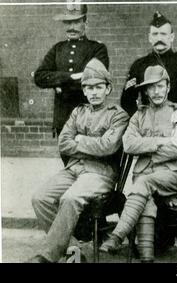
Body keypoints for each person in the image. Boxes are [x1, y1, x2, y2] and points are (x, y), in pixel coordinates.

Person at [27, 58, 129, 263]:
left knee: (70, 198)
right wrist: (92, 144)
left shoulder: (118, 115)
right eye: (89, 88)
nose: (94, 92)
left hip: (100, 173)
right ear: (83, 91)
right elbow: (63, 143)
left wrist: (80, 140)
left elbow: (108, 147)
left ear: (108, 89)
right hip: (74, 169)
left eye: (99, 87)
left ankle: (48, 256)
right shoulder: (77, 112)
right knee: (40, 198)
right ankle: (74, 251)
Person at [119, 11, 177, 250]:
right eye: (155, 34)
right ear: (149, 37)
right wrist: (138, 128)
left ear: (172, 36)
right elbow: (126, 101)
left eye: (164, 34)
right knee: (149, 182)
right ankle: (157, 234)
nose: (159, 38)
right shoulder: (139, 66)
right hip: (150, 133)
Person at [99, 65, 177, 263]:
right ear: (146, 91)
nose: (156, 92)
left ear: (168, 86)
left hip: (171, 174)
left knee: (142, 185)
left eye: (160, 86)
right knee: (144, 198)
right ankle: (147, 257)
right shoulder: (139, 115)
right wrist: (160, 142)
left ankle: (117, 235)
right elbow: (128, 143)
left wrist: (147, 148)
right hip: (144, 174)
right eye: (151, 88)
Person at [34, 3, 109, 165]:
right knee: (69, 165)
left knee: (91, 164)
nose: (71, 27)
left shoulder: (97, 49)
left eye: (76, 22)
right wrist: (71, 76)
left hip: (89, 118)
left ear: (85, 22)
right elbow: (40, 77)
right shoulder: (57, 49)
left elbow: (95, 79)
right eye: (68, 22)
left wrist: (58, 82)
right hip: (63, 118)